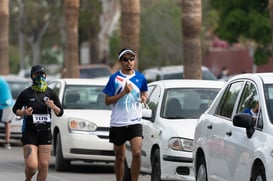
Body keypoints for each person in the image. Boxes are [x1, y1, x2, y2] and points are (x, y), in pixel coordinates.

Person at [103, 48, 148, 181]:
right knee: (120, 156)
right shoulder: (114, 78)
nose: (129, 62)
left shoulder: (140, 77)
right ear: (121, 62)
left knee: (137, 153)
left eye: (132, 59)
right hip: (118, 122)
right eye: (125, 59)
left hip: (135, 121)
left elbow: (144, 92)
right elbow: (107, 101)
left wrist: (145, 98)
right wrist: (123, 93)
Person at [12, 65, 64, 181]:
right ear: (32, 76)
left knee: (44, 166)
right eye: (37, 74)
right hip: (30, 133)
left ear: (45, 76)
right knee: (32, 166)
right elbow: (15, 109)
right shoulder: (26, 93)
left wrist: (54, 106)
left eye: (42, 74)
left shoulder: (50, 93)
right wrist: (24, 112)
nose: (40, 77)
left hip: (45, 133)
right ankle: (28, 178)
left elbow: (60, 112)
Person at [0, 77, 14, 149]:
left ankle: (7, 142)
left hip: (6, 104)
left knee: (7, 123)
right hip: (5, 103)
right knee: (7, 123)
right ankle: (7, 143)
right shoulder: (2, 80)